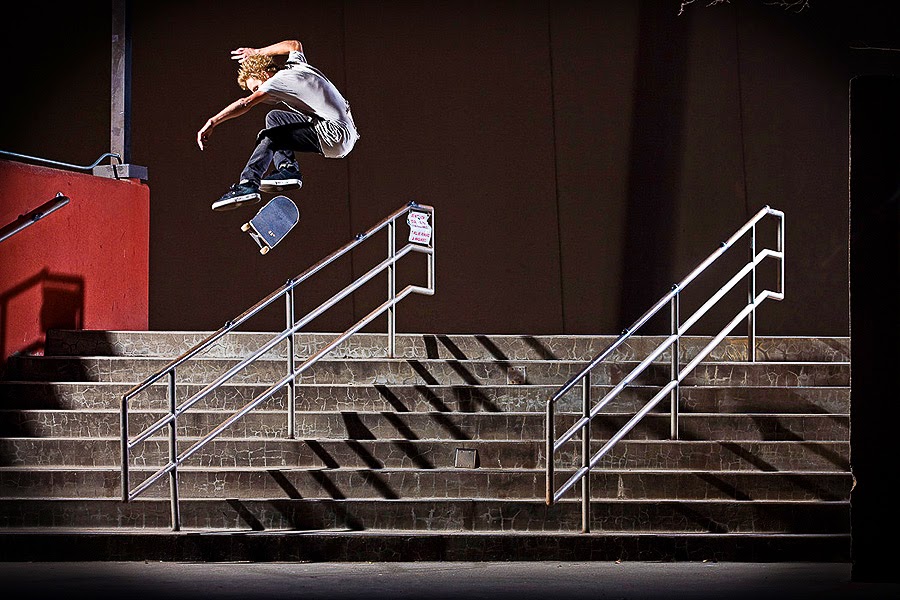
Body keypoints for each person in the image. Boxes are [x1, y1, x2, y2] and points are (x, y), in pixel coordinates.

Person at [197, 39, 359, 211]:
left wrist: (213, 121)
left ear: (265, 74)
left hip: (334, 134)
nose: (259, 93)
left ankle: (247, 184)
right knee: (275, 118)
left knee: (269, 137)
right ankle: (288, 169)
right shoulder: (296, 66)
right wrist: (258, 52)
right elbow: (294, 45)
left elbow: (245, 103)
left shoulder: (277, 80)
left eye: (256, 88)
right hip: (342, 130)